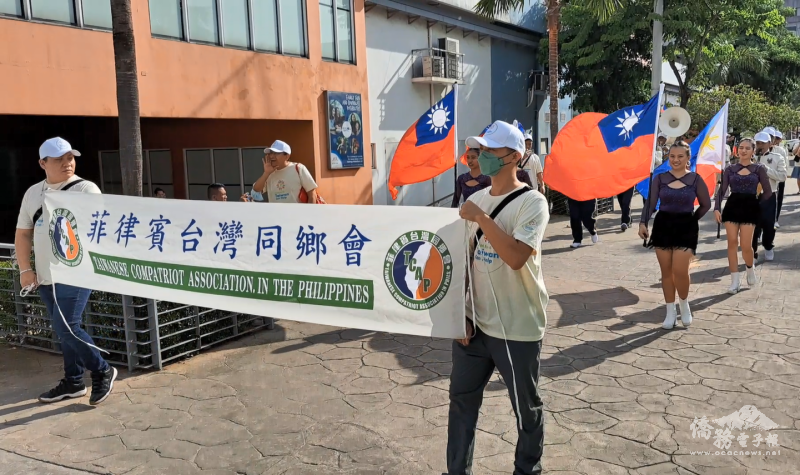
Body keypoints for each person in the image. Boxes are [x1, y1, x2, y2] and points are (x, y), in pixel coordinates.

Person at [449, 120, 549, 475]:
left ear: (513, 157)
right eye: (482, 149)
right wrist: (457, 313)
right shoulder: (474, 198)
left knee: (526, 409)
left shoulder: (533, 203)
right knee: (461, 403)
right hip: (474, 326)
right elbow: (461, 260)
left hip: (516, 326)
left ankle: (527, 469)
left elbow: (517, 256)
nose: (482, 156)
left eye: (490, 151)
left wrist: (482, 217)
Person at [15, 137, 117, 405]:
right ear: (42, 163)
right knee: (64, 330)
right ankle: (73, 382)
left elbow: (100, 229)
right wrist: (25, 269)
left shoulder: (86, 190)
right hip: (46, 275)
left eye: (70, 157)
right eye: (59, 159)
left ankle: (102, 370)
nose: (67, 163)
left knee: (67, 326)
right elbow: (23, 234)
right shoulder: (32, 193)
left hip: (76, 271)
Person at [638, 141, 711, 329]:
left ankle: (684, 304)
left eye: (680, 156)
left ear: (688, 158)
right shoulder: (660, 178)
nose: (675, 160)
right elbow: (651, 203)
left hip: (686, 226)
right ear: (668, 157)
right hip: (663, 225)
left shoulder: (695, 179)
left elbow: (705, 205)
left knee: (680, 271)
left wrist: (693, 219)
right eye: (672, 156)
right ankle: (670, 310)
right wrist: (643, 222)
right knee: (666, 272)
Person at [714, 138, 772, 294]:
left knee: (746, 246)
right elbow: (722, 191)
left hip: (750, 208)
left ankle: (749, 268)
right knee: (731, 243)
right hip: (732, 206)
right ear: (737, 150)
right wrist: (716, 208)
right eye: (741, 147)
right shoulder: (730, 169)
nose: (743, 150)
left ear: (753, 151)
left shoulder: (758, 168)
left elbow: (768, 192)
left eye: (747, 148)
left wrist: (756, 204)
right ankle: (734, 281)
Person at [752, 132, 785, 261]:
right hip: (752, 196)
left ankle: (768, 246)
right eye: (758, 143)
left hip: (769, 195)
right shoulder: (749, 157)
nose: (760, 146)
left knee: (768, 224)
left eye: (762, 143)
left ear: (769, 144)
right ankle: (752, 251)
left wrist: (765, 169)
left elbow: (782, 176)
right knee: (752, 225)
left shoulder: (777, 157)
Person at [251, 140, 319, 204]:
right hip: (276, 215)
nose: (271, 156)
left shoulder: (298, 168)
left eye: (276, 153)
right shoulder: (269, 173)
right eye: (270, 153)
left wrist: (309, 213)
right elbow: (256, 191)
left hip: (296, 215)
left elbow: (312, 193)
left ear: (287, 156)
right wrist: (266, 173)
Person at [771, 130, 788, 227]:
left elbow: (784, 165)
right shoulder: (758, 150)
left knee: (778, 198)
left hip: (779, 178)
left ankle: (775, 219)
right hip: (766, 181)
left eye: (777, 138)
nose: (776, 140)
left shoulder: (781, 150)